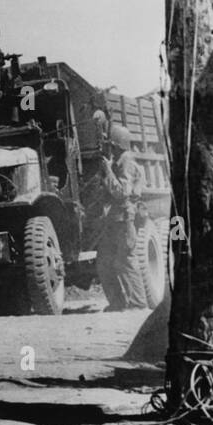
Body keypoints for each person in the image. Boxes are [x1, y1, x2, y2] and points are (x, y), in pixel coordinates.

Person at [96, 125, 147, 311]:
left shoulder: (126, 161)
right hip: (115, 219)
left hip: (123, 218)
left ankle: (138, 304)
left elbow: (121, 192)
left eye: (110, 145)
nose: (108, 148)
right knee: (104, 262)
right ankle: (117, 303)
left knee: (126, 259)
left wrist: (108, 171)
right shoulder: (119, 160)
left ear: (117, 146)